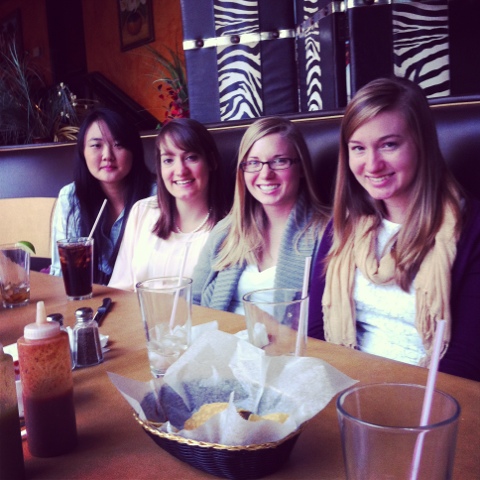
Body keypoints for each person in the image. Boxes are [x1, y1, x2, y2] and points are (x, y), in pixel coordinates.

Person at [308, 77, 480, 382]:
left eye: (389, 145)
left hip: (428, 394)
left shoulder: (471, 229)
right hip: (343, 384)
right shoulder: (342, 225)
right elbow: (315, 328)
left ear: (422, 144)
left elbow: (466, 360)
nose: (372, 165)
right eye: (358, 148)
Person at [192, 116, 330, 314]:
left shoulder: (328, 232)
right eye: (253, 163)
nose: (265, 174)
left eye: (279, 161)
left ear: (301, 167)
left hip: (286, 335)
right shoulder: (225, 231)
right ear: (242, 171)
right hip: (221, 332)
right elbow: (193, 303)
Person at [109, 118, 227, 291]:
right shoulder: (142, 211)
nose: (180, 171)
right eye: (168, 160)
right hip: (139, 309)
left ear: (211, 161)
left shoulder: (230, 227)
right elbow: (121, 288)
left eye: (191, 157)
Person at [50, 108, 154, 285]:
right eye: (96, 145)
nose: (107, 156)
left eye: (118, 144)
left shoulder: (155, 197)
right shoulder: (71, 197)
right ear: (83, 151)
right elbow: (61, 273)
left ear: (134, 150)